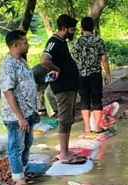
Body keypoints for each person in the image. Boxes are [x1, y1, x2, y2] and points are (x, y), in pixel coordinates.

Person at [0, 30, 39, 185]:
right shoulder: (8, 65)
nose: (27, 45)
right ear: (15, 45)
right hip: (15, 115)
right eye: (25, 42)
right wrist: (20, 117)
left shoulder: (21, 61)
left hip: (27, 112)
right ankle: (18, 179)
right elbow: (8, 92)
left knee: (27, 143)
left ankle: (23, 170)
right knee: (15, 146)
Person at [41, 14, 85, 164]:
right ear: (64, 28)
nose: (74, 32)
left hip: (69, 87)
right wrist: (58, 69)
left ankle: (65, 150)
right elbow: (45, 60)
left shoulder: (62, 41)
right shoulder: (54, 42)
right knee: (65, 120)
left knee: (68, 120)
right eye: (72, 29)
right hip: (63, 88)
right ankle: (64, 154)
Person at [72, 16, 110, 134]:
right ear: (93, 27)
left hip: (82, 75)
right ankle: (97, 127)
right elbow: (103, 59)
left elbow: (73, 59)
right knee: (97, 100)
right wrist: (108, 74)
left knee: (84, 100)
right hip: (95, 75)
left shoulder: (77, 42)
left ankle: (87, 128)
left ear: (82, 27)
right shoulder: (98, 41)